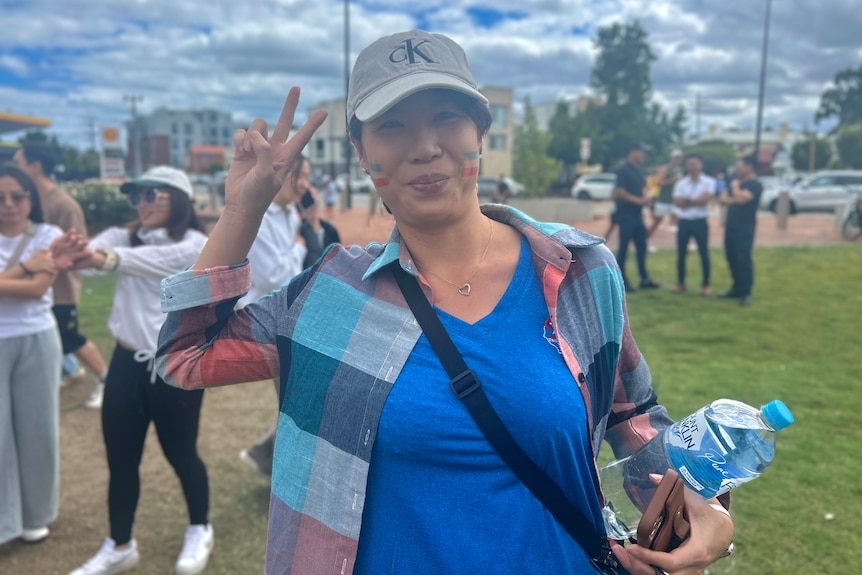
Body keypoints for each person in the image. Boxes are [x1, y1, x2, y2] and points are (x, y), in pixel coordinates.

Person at [155, 30, 733, 575]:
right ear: (361, 150)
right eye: (393, 125)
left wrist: (699, 505)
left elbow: (632, 414)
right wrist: (243, 209)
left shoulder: (579, 269)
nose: (425, 146)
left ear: (479, 131)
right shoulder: (328, 296)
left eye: (446, 117)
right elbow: (184, 357)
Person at [61, 166, 213, 575]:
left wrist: (101, 258)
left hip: (175, 366)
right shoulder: (121, 236)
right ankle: (119, 543)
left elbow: (148, 261)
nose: (142, 203)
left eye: (153, 195)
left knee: (181, 453)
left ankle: (200, 526)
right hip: (127, 362)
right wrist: (79, 252)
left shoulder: (196, 244)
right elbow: (93, 260)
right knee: (121, 459)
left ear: (177, 199)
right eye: (137, 196)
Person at [13, 143, 110, 409]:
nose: (14, 169)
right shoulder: (26, 200)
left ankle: (106, 379)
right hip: (25, 286)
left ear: (35, 166)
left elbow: (80, 248)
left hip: (60, 288)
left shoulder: (63, 204)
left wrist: (51, 263)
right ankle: (69, 370)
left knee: (70, 337)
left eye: (18, 163)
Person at [0, 165, 62, 545]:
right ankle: (6, 520)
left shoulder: (49, 235)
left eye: (17, 196)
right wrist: (24, 268)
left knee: (38, 429)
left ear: (30, 198)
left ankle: (37, 513)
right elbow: (31, 278)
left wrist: (22, 278)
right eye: (0, 198)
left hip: (38, 337)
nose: (8, 205)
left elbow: (39, 289)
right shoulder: (36, 248)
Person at [236, 156, 308, 477]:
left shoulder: (291, 212)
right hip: (268, 322)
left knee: (298, 398)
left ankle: (265, 456)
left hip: (292, 317)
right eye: (302, 177)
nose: (306, 184)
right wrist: (299, 249)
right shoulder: (260, 219)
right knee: (296, 400)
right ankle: (276, 464)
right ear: (285, 175)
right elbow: (277, 275)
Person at [613, 143, 660, 293]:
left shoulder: (639, 171)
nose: (643, 156)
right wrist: (638, 200)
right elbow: (620, 192)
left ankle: (644, 278)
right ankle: (621, 280)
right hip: (626, 214)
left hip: (638, 214)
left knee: (642, 246)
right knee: (624, 248)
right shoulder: (623, 170)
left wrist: (647, 198)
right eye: (642, 152)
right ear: (633, 152)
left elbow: (643, 188)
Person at [718, 155, 763, 307]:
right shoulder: (733, 182)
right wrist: (734, 196)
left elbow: (743, 198)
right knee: (731, 257)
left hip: (745, 227)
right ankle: (736, 287)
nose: (737, 169)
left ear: (749, 167)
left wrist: (735, 188)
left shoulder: (755, 185)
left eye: (740, 166)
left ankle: (746, 292)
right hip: (731, 225)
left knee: (743, 258)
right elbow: (723, 199)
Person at [671, 154, 715, 295]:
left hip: (700, 221)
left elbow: (706, 199)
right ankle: (680, 283)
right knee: (681, 254)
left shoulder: (708, 181)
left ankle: (706, 285)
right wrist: (696, 200)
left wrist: (687, 201)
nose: (692, 167)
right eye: (690, 164)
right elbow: (677, 202)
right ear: (686, 166)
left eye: (695, 164)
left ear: (700, 165)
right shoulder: (681, 183)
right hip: (684, 221)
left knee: (704, 253)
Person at [647, 149, 683, 238]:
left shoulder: (679, 170)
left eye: (678, 158)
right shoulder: (665, 169)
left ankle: (684, 244)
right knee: (656, 222)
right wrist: (672, 180)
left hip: (673, 201)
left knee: (679, 222)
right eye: (675, 158)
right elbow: (659, 182)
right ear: (671, 158)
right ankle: (645, 240)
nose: (677, 160)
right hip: (663, 200)